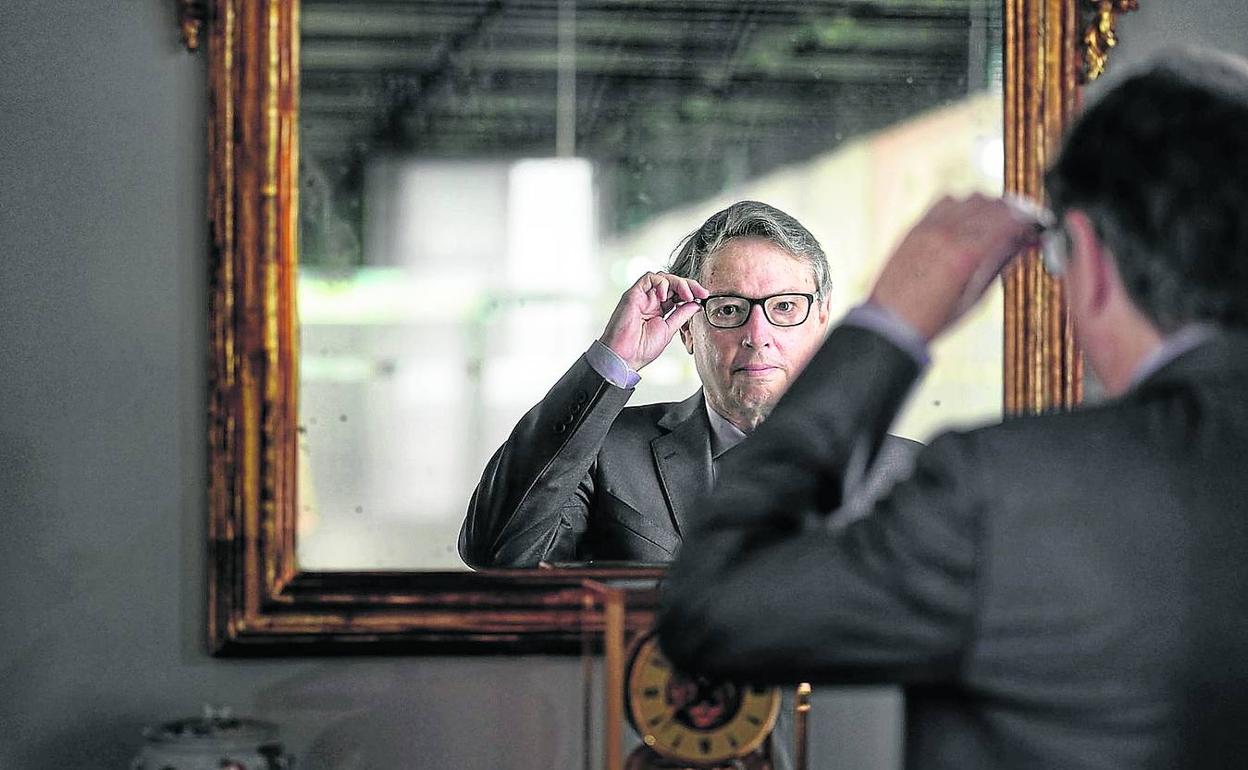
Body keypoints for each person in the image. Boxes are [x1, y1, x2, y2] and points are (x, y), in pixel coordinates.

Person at [658, 49, 1248, 769]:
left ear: (1090, 259)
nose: (757, 333)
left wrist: (892, 322)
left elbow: (709, 612)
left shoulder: (1003, 493)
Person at [459, 201, 920, 568]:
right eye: (728, 309)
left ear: (821, 319)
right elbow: (496, 550)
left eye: (784, 307)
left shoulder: (908, 472)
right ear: (687, 330)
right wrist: (614, 359)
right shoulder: (609, 455)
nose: (757, 335)